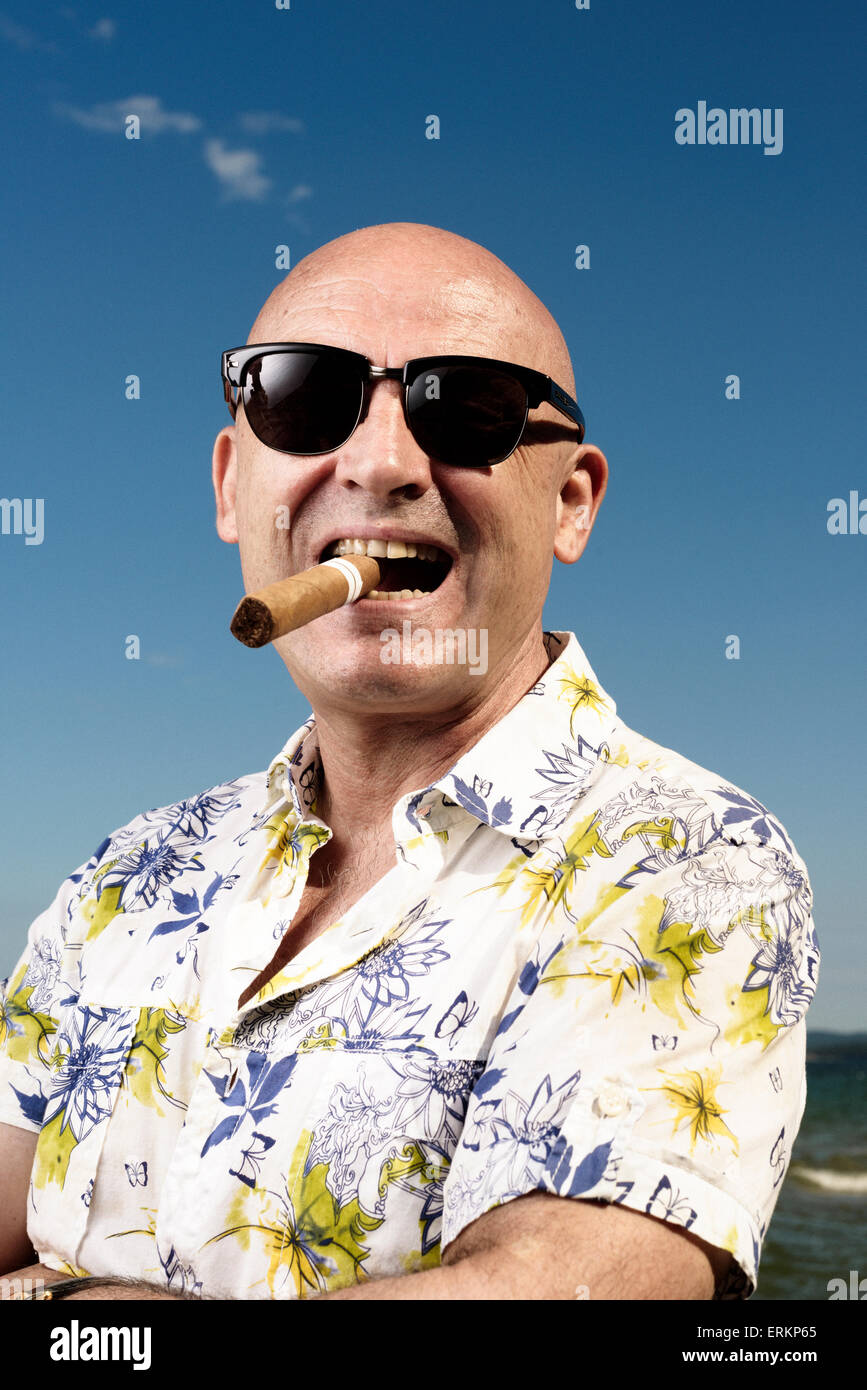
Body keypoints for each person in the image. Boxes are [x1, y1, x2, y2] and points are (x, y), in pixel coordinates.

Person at [0, 222, 818, 1301]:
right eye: (302, 398)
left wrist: (74, 1306)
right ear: (232, 484)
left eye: (467, 407)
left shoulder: (691, 859)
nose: (381, 463)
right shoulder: (127, 874)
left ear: (570, 502)